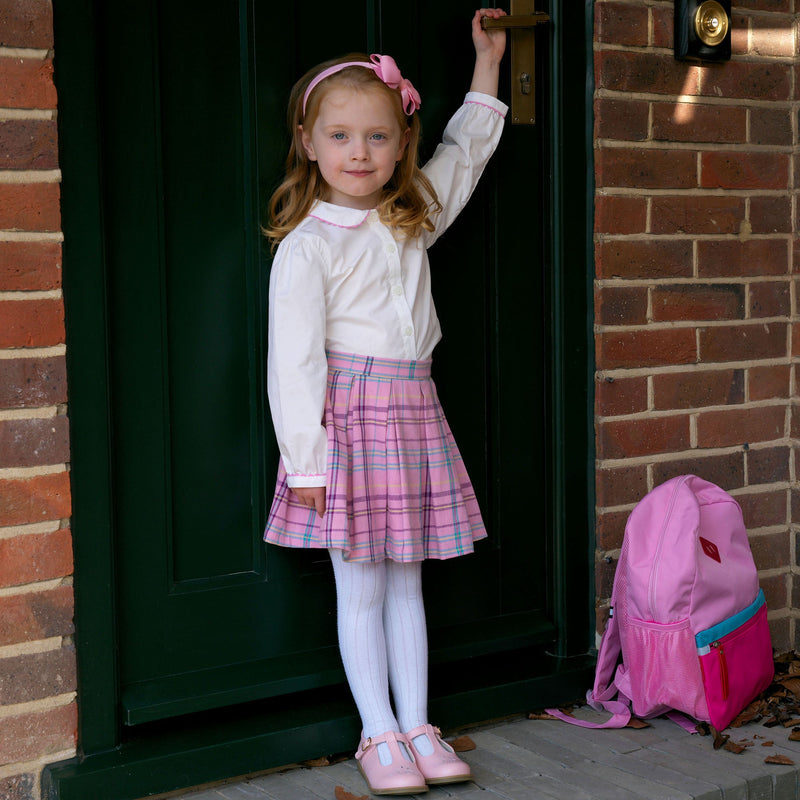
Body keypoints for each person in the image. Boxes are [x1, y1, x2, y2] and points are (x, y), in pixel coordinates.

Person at [263, 9, 508, 796]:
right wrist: (305, 461)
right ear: (309, 143)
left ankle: (418, 725)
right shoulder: (309, 244)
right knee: (360, 581)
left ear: (401, 143)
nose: (358, 153)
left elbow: (465, 155)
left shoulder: (410, 220)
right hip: (349, 426)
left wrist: (489, 63)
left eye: (375, 136)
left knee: (409, 578)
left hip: (412, 412)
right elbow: (292, 363)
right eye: (339, 136)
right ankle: (377, 732)